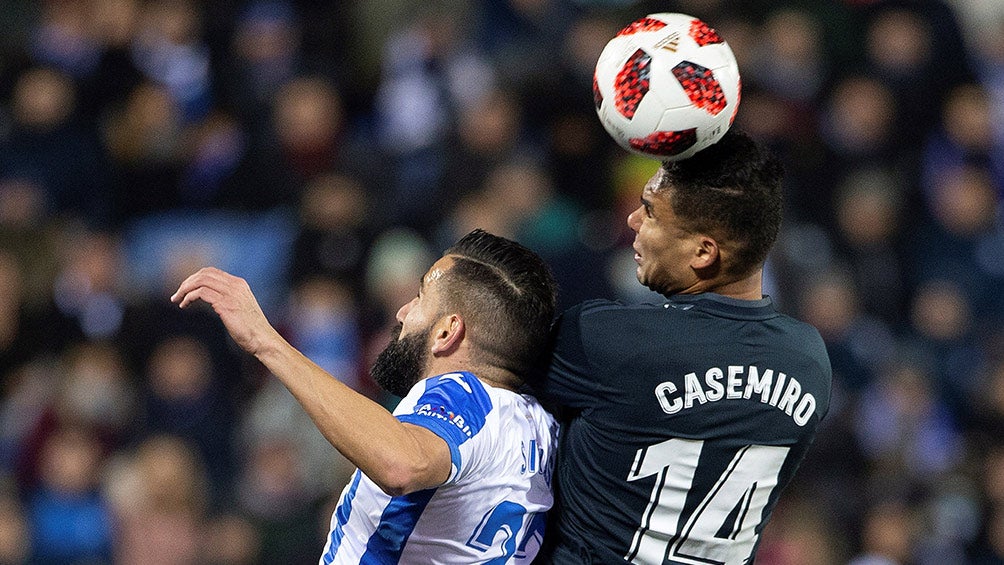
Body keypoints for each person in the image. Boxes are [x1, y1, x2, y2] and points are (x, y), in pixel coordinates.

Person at [531, 129, 833, 564]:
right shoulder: (809, 361)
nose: (633, 221)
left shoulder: (610, 340)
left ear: (703, 252)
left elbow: (488, 365)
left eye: (651, 213)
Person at [171, 229, 559, 564]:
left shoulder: (464, 396)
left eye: (420, 297)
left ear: (447, 332)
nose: (403, 312)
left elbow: (400, 464)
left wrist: (266, 341)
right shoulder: (539, 425)